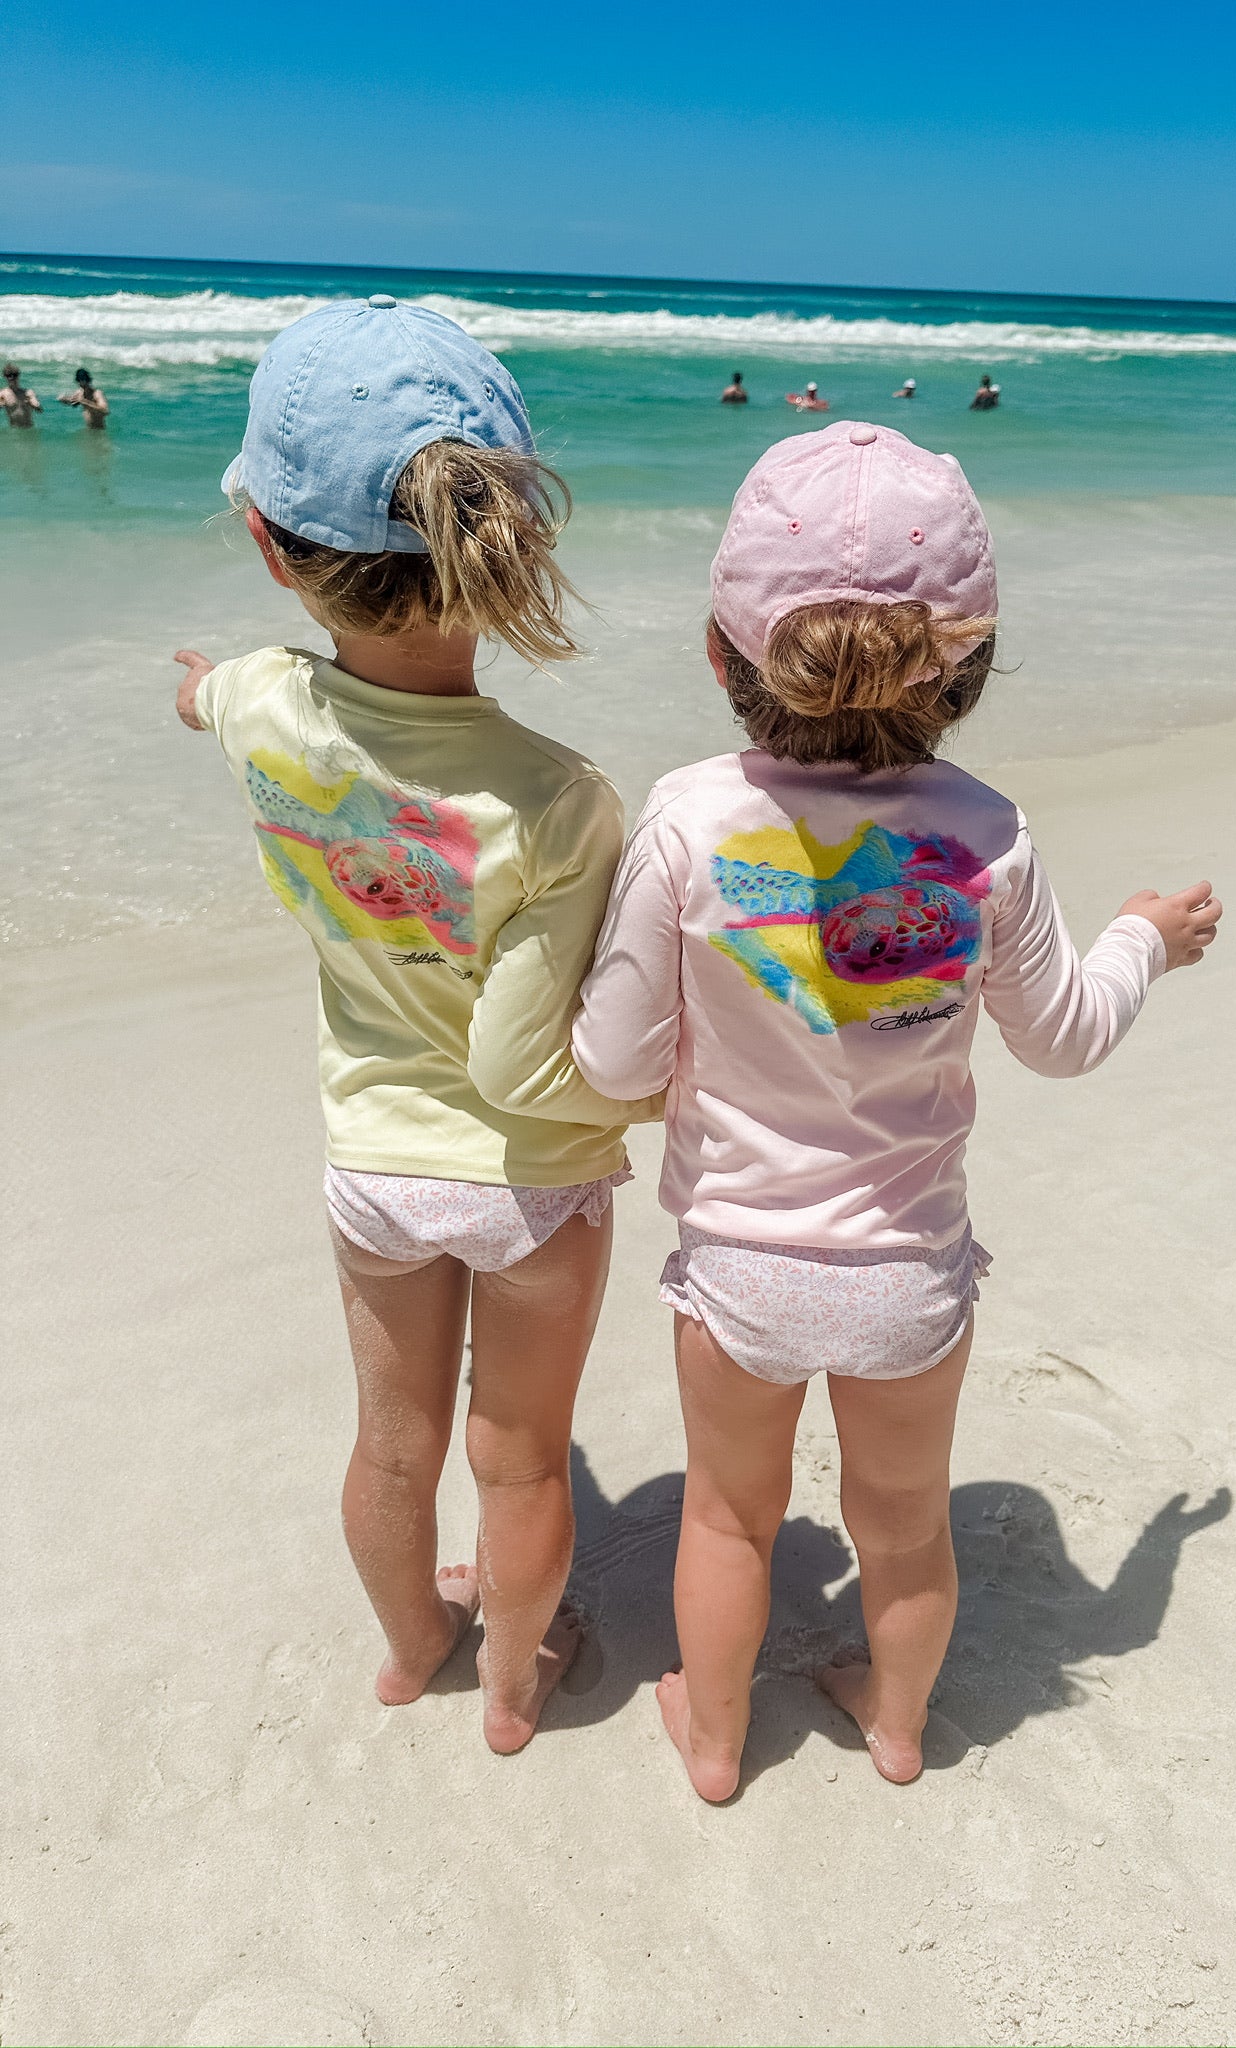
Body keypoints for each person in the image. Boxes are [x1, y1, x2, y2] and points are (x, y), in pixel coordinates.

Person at [572, 421, 1222, 1801]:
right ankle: (897, 1724)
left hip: (741, 1271)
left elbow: (619, 1066)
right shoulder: (988, 836)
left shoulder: (687, 823)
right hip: (912, 1282)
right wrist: (1142, 939)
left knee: (734, 1521)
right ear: (969, 674)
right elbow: (1067, 1037)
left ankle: (712, 1740)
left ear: (718, 654)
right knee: (909, 1527)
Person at [171, 297, 660, 1754]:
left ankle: (411, 1649)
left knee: (394, 1444)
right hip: (523, 1180)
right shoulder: (556, 798)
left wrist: (198, 689)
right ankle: (516, 1690)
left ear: (268, 545)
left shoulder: (259, 706)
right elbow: (525, 1060)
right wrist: (640, 1113)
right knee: (517, 1469)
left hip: (371, 1164)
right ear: (504, 549)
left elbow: (212, 696)